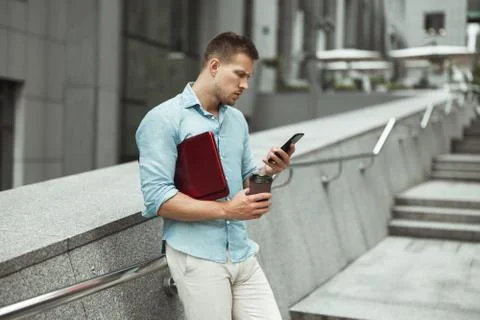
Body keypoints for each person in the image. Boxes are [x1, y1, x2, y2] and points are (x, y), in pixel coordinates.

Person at [136, 32, 295, 320]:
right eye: (240, 75)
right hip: (198, 258)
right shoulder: (163, 120)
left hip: (241, 252)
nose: (245, 85)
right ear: (214, 66)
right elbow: (158, 199)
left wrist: (269, 171)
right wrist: (228, 209)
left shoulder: (236, 120)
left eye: (249, 77)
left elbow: (248, 178)